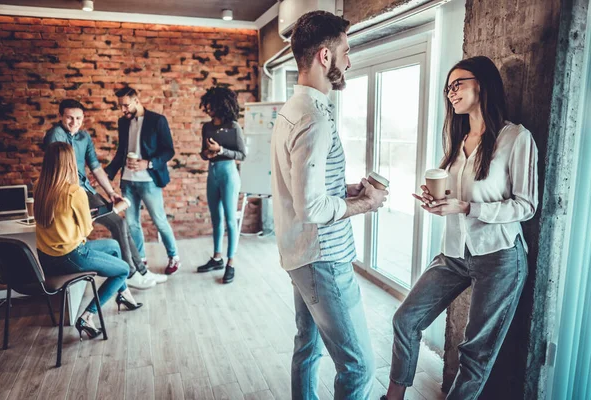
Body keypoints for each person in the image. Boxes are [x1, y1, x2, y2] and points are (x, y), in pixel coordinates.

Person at [383, 56, 538, 400]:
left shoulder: (516, 138)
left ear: (482, 83)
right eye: (448, 88)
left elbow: (526, 206)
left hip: (499, 257)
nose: (451, 93)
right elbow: (456, 196)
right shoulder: (458, 139)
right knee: (406, 320)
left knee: (474, 352)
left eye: (459, 84)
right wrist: (438, 202)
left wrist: (467, 206)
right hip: (454, 252)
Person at [271, 11, 388, 399]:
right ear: (325, 56)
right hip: (323, 258)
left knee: (307, 345)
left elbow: (301, 185)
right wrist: (366, 204)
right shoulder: (314, 118)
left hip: (299, 252)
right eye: (346, 51)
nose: (349, 60)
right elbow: (312, 209)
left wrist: (349, 188)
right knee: (359, 368)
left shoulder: (291, 110)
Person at [44, 99, 161, 290]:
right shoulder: (55, 135)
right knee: (118, 223)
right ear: (60, 117)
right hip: (69, 193)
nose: (74, 122)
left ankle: (141, 270)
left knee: (120, 223)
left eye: (79, 118)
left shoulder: (84, 137)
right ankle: (131, 272)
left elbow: (96, 168)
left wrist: (111, 193)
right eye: (69, 118)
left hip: (86, 192)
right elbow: (56, 167)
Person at [35, 142, 142, 340]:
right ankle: (87, 316)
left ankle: (123, 295)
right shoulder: (75, 192)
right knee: (123, 270)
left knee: (113, 246)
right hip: (71, 256)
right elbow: (85, 230)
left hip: (48, 259)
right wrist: (115, 210)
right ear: (70, 163)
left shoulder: (40, 188)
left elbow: (61, 219)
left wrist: (83, 214)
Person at [105, 87, 181, 275]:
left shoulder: (157, 120)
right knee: (131, 224)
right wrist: (107, 174)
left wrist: (148, 163)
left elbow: (168, 151)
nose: (123, 110)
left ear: (136, 100)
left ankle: (174, 257)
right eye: (120, 106)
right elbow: (121, 152)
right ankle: (141, 260)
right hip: (128, 181)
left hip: (149, 180)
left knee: (159, 221)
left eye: (125, 105)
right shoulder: (123, 123)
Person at [196, 86, 247, 284]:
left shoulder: (234, 127)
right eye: (207, 105)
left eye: (211, 105)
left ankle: (230, 262)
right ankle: (217, 258)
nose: (208, 108)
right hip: (213, 174)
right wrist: (207, 154)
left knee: (230, 220)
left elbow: (242, 155)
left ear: (221, 105)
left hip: (229, 175)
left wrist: (222, 150)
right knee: (216, 218)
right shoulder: (206, 127)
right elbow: (202, 152)